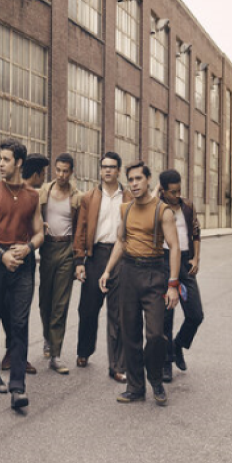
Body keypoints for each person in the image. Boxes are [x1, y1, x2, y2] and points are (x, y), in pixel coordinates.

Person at [100, 162, 180, 405]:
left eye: (138, 179)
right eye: (131, 179)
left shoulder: (163, 211)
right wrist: (107, 270)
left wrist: (173, 284)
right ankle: (135, 387)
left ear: (148, 181)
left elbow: (174, 247)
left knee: (155, 334)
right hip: (128, 273)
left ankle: (155, 379)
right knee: (130, 333)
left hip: (154, 273)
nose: (134, 184)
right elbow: (121, 242)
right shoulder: (125, 209)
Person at [0, 139, 44, 410]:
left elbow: (41, 232)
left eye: (6, 159)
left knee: (19, 324)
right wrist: (1, 255)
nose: (0, 164)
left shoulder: (32, 196)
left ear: (18, 162)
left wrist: (28, 248)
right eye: (0, 159)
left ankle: (18, 387)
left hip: (23, 264)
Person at [73, 151, 132, 383]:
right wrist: (79, 261)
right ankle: (84, 351)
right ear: (100, 170)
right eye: (104, 166)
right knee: (87, 309)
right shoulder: (89, 197)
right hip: (96, 255)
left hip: (120, 257)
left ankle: (116, 366)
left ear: (118, 170)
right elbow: (81, 229)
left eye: (112, 167)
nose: (107, 170)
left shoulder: (128, 197)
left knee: (117, 314)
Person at [0, 150, 48, 374]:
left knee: (11, 310)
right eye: (44, 173)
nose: (45, 177)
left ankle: (15, 354)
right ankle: (14, 354)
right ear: (37, 174)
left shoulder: (30, 195)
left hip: (9, 256)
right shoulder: (26, 194)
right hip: (15, 258)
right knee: (17, 311)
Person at [38, 153, 83, 374]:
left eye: (66, 171)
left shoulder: (77, 197)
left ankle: (55, 353)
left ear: (71, 172)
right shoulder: (43, 192)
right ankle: (48, 337)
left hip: (67, 250)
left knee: (60, 304)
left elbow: (81, 228)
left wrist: (79, 258)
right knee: (44, 301)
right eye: (58, 170)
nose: (62, 175)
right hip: (47, 249)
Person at [156, 169, 203, 382]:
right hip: (164, 261)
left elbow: (195, 232)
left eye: (179, 191)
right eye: (172, 192)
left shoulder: (187, 206)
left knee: (195, 314)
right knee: (166, 317)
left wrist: (196, 258)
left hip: (185, 262)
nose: (176, 195)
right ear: (163, 190)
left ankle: (178, 345)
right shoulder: (157, 207)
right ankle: (166, 362)